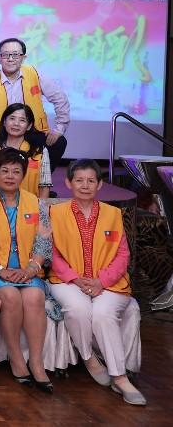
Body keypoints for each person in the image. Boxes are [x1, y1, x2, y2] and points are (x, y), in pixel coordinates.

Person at [48, 159, 145, 405]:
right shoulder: (55, 213)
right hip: (67, 280)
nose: (85, 185)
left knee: (103, 314)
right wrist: (75, 278)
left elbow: (123, 254)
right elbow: (52, 253)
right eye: (79, 180)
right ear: (68, 183)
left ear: (100, 184)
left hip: (109, 283)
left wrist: (101, 281)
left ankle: (119, 377)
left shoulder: (113, 214)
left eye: (91, 180)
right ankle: (89, 357)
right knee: (78, 309)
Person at [0, 147, 53, 393]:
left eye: (16, 171)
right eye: (5, 171)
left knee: (34, 297)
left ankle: (37, 363)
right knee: (9, 296)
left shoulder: (35, 202)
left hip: (27, 270)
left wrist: (31, 268)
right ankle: (17, 359)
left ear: (23, 175)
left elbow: (43, 240)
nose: (10, 176)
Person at [0, 38, 70, 164]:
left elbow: (60, 98)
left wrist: (59, 129)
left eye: (15, 54)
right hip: (0, 135)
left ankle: (40, 175)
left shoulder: (35, 74)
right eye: (6, 55)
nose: (10, 59)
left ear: (23, 57)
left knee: (59, 143)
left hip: (32, 132)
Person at [0, 103, 53, 198]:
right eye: (12, 118)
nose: (16, 124)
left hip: (29, 205)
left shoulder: (39, 152)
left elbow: (44, 186)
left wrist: (40, 206)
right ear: (4, 122)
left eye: (22, 120)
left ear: (29, 126)